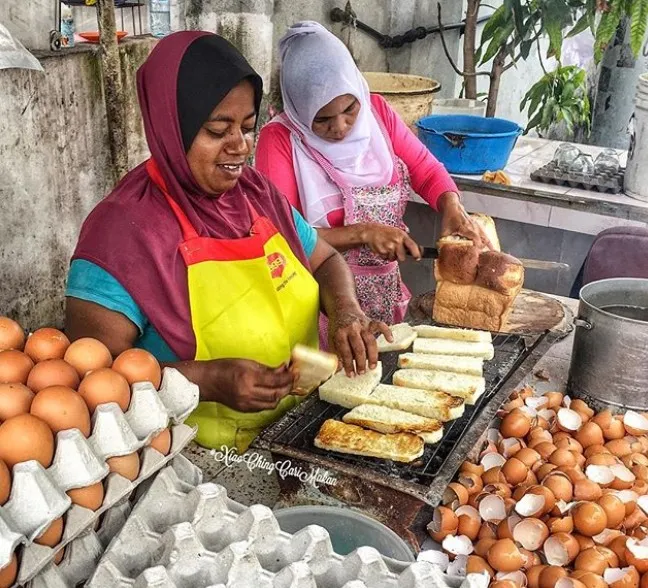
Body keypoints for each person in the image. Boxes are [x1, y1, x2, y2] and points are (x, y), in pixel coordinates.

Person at [64, 31, 390, 453]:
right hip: (196, 463)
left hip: (297, 438)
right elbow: (97, 380)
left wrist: (347, 312)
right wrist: (206, 381)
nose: (239, 147)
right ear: (170, 126)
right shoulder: (121, 233)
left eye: (249, 127)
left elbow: (324, 260)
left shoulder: (256, 195)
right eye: (218, 130)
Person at [255, 22, 492, 343]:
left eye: (350, 108)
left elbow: (425, 168)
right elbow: (281, 236)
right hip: (319, 305)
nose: (340, 127)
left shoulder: (378, 113)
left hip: (382, 296)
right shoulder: (280, 140)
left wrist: (451, 205)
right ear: (298, 109)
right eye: (322, 119)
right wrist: (363, 234)